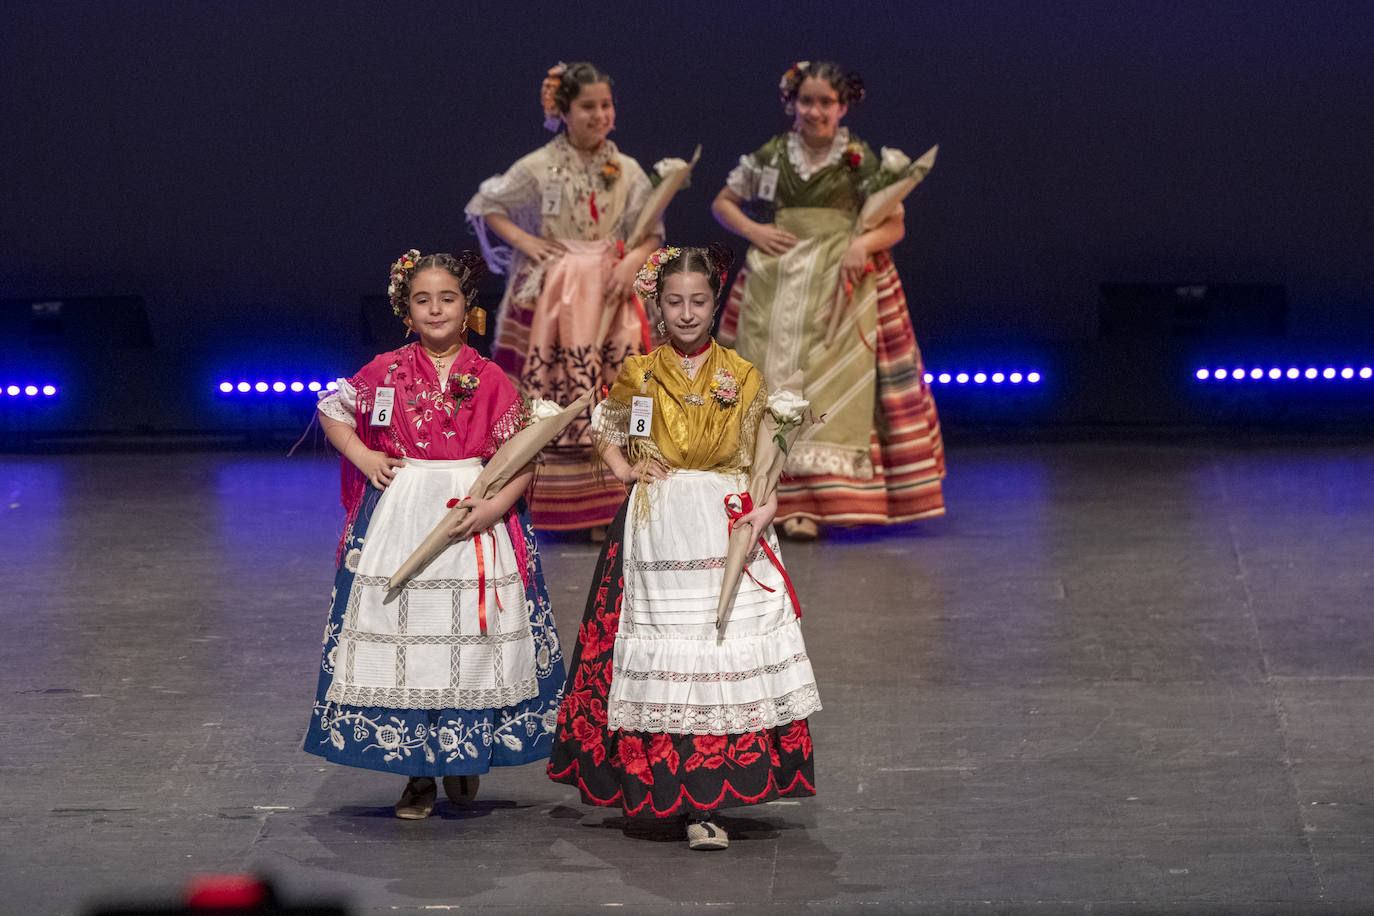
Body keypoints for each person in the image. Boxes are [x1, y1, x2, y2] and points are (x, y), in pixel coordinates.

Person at [547, 245, 820, 851]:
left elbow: (763, 465)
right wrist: (624, 471)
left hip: (723, 524)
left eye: (699, 301)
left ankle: (712, 802)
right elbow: (610, 428)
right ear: (658, 305)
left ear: (715, 302)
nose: (688, 312)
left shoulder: (742, 373)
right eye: (675, 302)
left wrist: (763, 512)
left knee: (719, 654)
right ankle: (668, 791)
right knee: (669, 659)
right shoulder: (640, 373)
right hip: (657, 528)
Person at [303, 250, 564, 819]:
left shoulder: (491, 376)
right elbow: (332, 408)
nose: (436, 309)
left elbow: (522, 458)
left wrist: (492, 509)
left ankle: (464, 754)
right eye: (423, 300)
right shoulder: (386, 370)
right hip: (403, 514)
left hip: (473, 518)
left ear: (467, 306)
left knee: (471, 640)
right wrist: (364, 454)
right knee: (408, 637)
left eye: (447, 298)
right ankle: (416, 772)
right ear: (406, 309)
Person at [711, 60, 945, 540]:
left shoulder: (856, 156)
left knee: (829, 385)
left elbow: (893, 222)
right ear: (792, 104)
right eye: (806, 101)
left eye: (825, 102)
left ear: (842, 106)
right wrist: (755, 229)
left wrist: (862, 244)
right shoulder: (773, 154)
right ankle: (766, 496)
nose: (815, 111)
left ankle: (817, 502)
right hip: (778, 279)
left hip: (841, 280)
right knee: (768, 378)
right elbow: (723, 202)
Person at [466, 61, 664, 535]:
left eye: (606, 106)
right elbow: (487, 203)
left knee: (617, 392)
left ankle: (614, 505)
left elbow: (652, 233)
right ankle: (549, 504)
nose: (600, 116)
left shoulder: (629, 170)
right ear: (564, 110)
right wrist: (528, 242)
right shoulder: (540, 166)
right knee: (555, 395)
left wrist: (631, 260)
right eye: (588, 107)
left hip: (611, 291)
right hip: (555, 299)